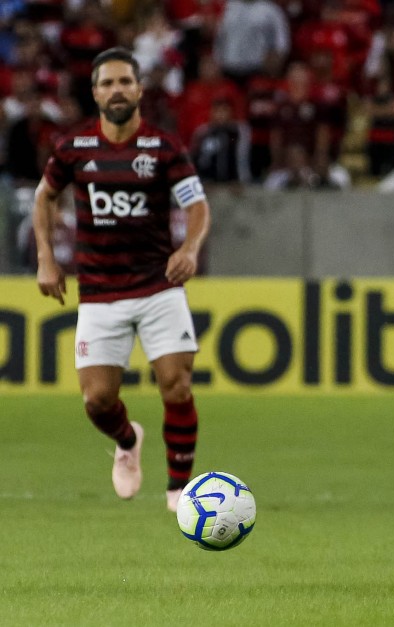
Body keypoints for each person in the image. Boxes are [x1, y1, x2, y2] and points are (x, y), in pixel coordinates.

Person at [33, 47, 211, 513]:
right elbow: (43, 198)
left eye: (124, 82)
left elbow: (197, 206)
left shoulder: (163, 147)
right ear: (94, 93)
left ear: (139, 89)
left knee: (176, 383)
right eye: (107, 83)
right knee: (97, 401)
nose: (117, 90)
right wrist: (46, 259)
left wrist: (189, 248)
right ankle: (128, 439)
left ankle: (178, 488)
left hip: (158, 286)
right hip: (99, 291)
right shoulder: (74, 149)